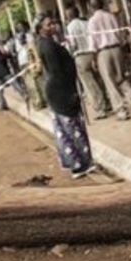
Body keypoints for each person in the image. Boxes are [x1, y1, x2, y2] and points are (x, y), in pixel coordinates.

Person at [36, 14, 98, 179]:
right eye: (49, 24)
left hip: (62, 90)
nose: (53, 26)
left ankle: (83, 162)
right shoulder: (47, 46)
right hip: (60, 92)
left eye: (53, 23)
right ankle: (78, 165)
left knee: (72, 128)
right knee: (70, 130)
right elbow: (56, 72)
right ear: (40, 28)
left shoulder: (49, 43)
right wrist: (69, 94)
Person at [88, 0, 131, 120]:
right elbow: (119, 33)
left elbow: (92, 41)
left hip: (103, 52)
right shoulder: (111, 16)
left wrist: (93, 58)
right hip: (117, 49)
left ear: (91, 7)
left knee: (110, 82)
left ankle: (121, 110)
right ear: (102, 4)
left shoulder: (92, 21)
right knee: (121, 77)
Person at [64, 6, 111, 118]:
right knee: (99, 80)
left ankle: (101, 109)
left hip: (80, 56)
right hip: (92, 54)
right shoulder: (86, 23)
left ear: (68, 16)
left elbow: (73, 44)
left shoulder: (70, 27)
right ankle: (107, 103)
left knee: (90, 85)